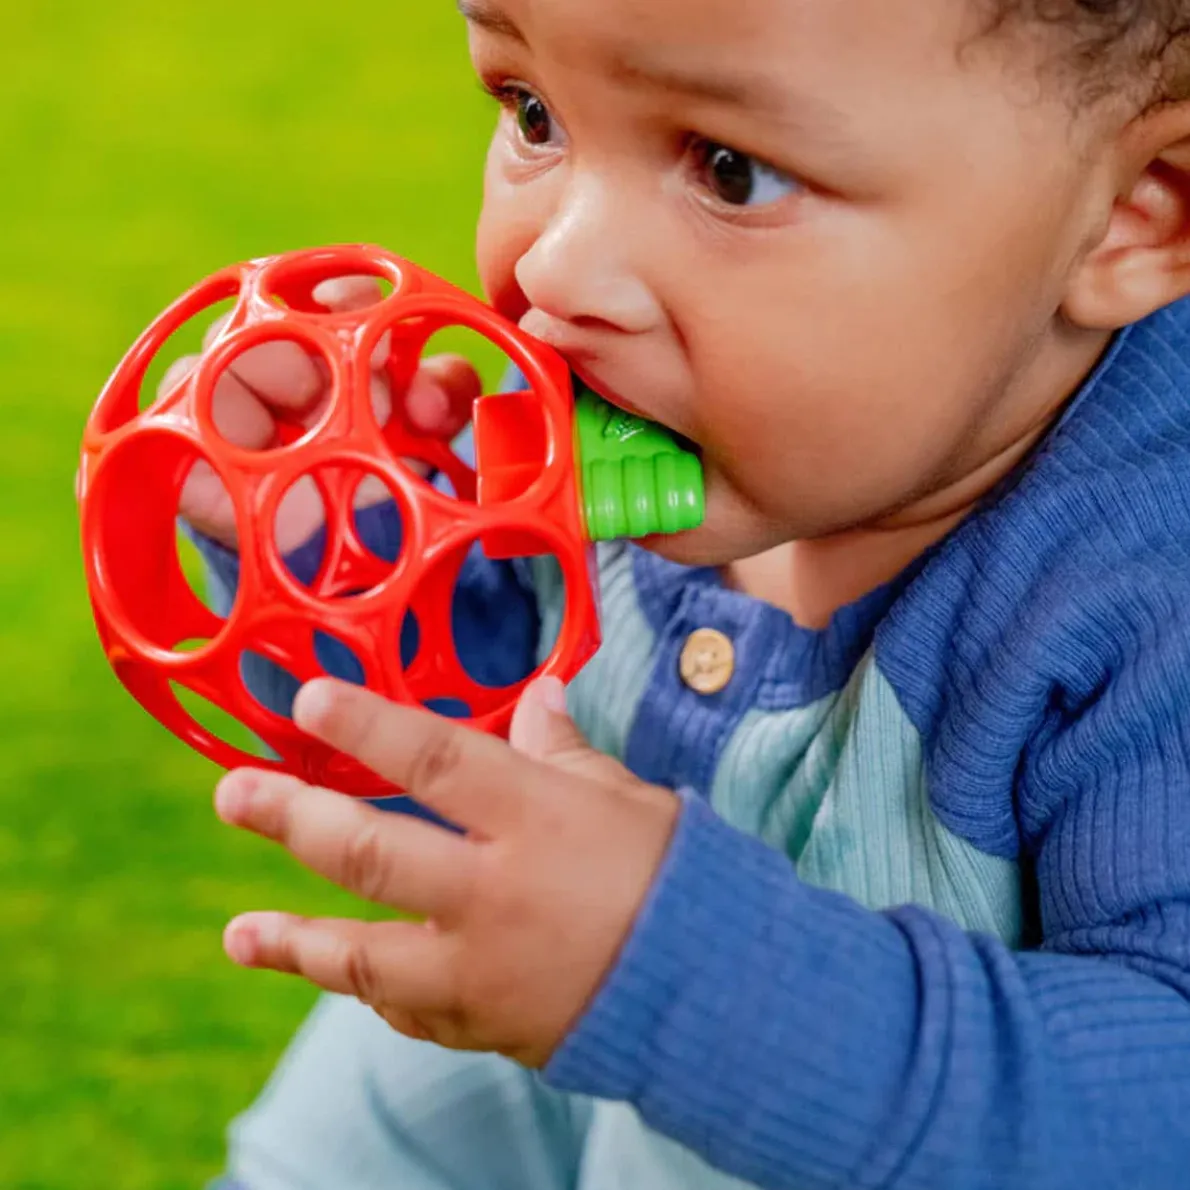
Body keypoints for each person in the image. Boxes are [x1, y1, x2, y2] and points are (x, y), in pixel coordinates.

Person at [178, 0, 1190, 1185]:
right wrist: (329, 550)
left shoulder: (1139, 609)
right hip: (517, 1075)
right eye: (532, 113)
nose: (552, 268)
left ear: (1130, 215)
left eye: (730, 171)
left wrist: (669, 971)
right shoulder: (637, 432)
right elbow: (468, 771)